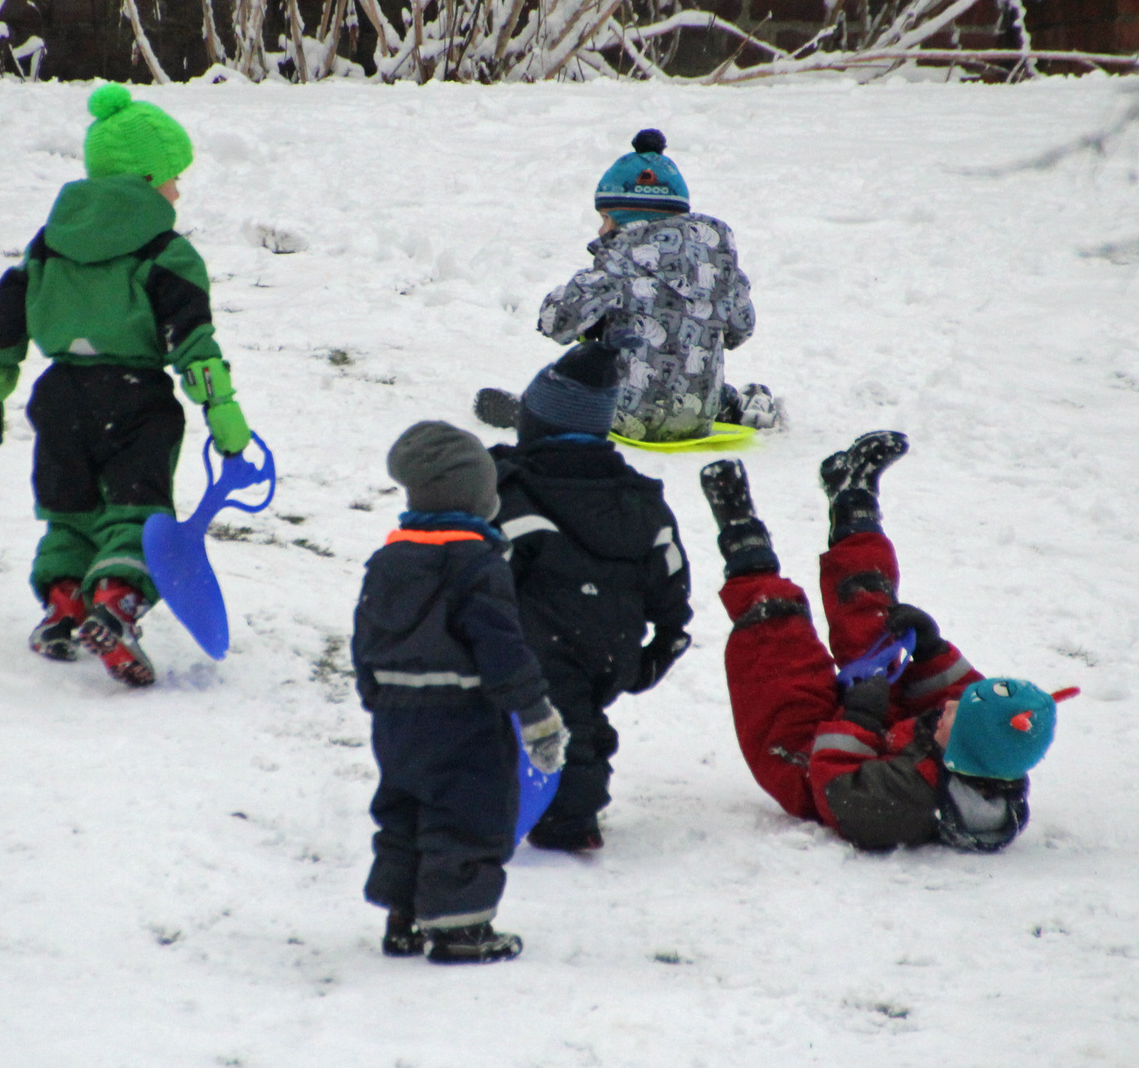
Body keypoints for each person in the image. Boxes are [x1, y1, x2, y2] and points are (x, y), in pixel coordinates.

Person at [0, 84, 253, 688]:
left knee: (69, 511)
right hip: (137, 400)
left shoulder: (48, 244)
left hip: (60, 396)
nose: (177, 190)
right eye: (173, 177)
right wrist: (221, 408)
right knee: (134, 510)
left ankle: (64, 605)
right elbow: (191, 341)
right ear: (147, 179)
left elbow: (5, 320)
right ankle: (116, 603)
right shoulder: (167, 253)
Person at [698, 432, 1066, 852]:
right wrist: (930, 650)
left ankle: (744, 543)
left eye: (957, 714)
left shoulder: (902, 802)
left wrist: (858, 717)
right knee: (878, 624)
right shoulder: (984, 743)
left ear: (961, 750)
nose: (950, 705)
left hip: (817, 766)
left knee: (780, 659)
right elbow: (958, 694)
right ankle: (852, 496)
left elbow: (836, 784)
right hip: (887, 736)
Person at [352, 422, 568, 963]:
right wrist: (536, 714)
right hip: (460, 714)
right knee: (468, 813)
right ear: (476, 498)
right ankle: (458, 927)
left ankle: (402, 915)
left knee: (405, 809)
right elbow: (502, 648)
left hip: (398, 717)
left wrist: (373, 691)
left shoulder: (389, 559)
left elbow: (366, 633)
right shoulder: (475, 563)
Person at [488, 340, 694, 852]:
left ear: (537, 424)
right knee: (578, 717)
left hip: (541, 647)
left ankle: (569, 817)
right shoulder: (639, 501)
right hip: (615, 646)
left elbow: (490, 574)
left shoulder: (516, 493)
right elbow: (669, 568)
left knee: (561, 725)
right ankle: (551, 796)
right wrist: (665, 642)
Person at [478, 129, 773, 443]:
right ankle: (735, 405)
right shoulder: (720, 266)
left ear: (629, 217)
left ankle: (540, 411)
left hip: (622, 416)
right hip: (699, 417)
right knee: (688, 373)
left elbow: (558, 323)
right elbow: (741, 330)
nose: (601, 228)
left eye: (606, 217)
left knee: (584, 369)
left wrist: (567, 299)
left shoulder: (619, 261)